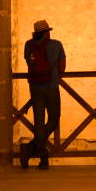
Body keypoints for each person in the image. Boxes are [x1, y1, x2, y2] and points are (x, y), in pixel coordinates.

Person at [20, 19, 66, 170]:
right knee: (53, 119)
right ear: (47, 33)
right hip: (51, 86)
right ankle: (33, 149)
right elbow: (62, 66)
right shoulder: (57, 44)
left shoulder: (28, 45)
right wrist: (54, 74)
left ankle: (41, 156)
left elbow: (29, 63)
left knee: (38, 122)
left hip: (35, 87)